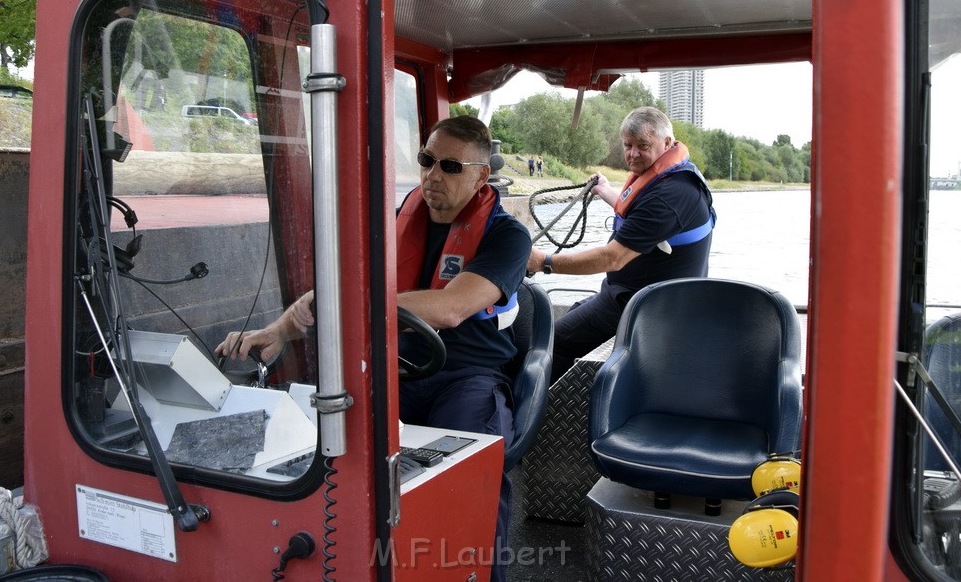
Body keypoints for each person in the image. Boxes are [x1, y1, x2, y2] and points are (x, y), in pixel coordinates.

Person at [216, 115, 530, 581]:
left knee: (470, 475)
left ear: (481, 176)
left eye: (449, 166)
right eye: (427, 160)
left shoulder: (508, 236)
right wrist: (281, 329)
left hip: (466, 377)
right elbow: (338, 288)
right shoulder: (395, 222)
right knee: (326, 451)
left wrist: (347, 303)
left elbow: (449, 308)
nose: (432, 175)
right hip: (391, 369)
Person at [526, 106, 715, 380]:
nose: (633, 153)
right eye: (628, 145)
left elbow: (612, 258)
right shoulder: (672, 177)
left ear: (667, 143)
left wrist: (544, 262)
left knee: (549, 342)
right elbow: (641, 217)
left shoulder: (669, 196)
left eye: (642, 146)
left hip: (646, 309)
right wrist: (605, 190)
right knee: (569, 317)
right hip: (630, 295)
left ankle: (531, 413)